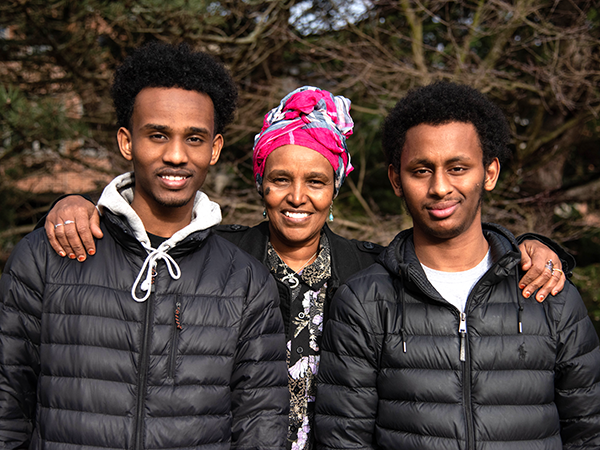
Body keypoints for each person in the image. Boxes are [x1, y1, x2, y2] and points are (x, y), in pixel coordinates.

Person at [40, 87, 570, 450]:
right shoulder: (220, 262)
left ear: (335, 188)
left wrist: (530, 245)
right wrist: (77, 205)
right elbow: (149, 253)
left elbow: (448, 264)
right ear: (259, 184)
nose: (297, 198)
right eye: (280, 180)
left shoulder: (372, 273)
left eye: (316, 181)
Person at [0, 42, 288, 449]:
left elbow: (261, 428)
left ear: (215, 149)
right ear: (126, 142)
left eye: (194, 138)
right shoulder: (48, 255)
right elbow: (7, 400)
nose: (175, 155)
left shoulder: (245, 283)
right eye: (157, 135)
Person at [314, 82, 600, 449]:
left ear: (490, 173)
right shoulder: (364, 302)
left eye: (458, 167)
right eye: (421, 170)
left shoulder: (550, 294)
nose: (440, 187)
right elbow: (343, 442)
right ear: (396, 180)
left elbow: (588, 433)